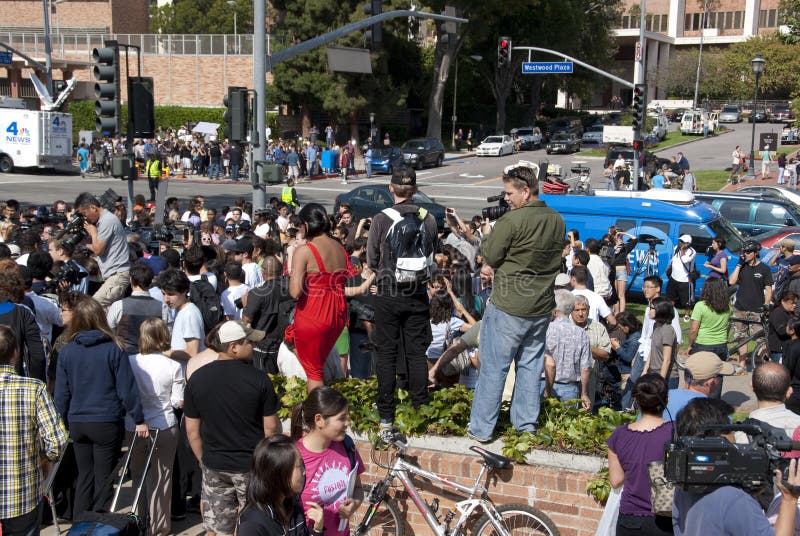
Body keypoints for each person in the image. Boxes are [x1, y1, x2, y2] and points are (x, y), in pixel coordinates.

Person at [468, 162, 565, 442]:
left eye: (509, 193)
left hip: (509, 305)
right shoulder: (556, 219)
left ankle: (482, 429)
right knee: (530, 368)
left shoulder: (512, 220)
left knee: (494, 368)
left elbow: (492, 257)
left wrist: (487, 235)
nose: (506, 198)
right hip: (540, 307)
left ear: (525, 191)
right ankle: (525, 427)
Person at [184, 321, 282, 536]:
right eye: (249, 343)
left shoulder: (197, 378)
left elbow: (192, 430)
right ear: (233, 347)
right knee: (252, 526)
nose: (253, 347)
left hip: (214, 465)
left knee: (216, 529)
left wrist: (203, 461)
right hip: (251, 467)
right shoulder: (259, 379)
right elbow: (271, 429)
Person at [54, 298, 148, 515]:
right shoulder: (113, 349)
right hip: (106, 420)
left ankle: (80, 523)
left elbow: (62, 394)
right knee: (104, 478)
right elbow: (127, 389)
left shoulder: (67, 351)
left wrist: (59, 422)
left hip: (78, 421)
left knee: (84, 475)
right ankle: (98, 523)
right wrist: (139, 418)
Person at [367, 167, 438, 429]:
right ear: (416, 191)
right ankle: (419, 408)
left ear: (391, 189)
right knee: (417, 353)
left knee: (386, 353)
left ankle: (386, 414)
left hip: (387, 291)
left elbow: (372, 259)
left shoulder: (381, 219)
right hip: (417, 292)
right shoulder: (428, 219)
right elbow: (432, 253)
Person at [672, 397, 800, 536]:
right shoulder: (734, 499)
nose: (734, 439)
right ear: (722, 438)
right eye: (731, 431)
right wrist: (789, 500)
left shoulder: (683, 487)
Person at [0, 325, 69, 536]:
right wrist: (44, 460)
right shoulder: (33, 389)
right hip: (22, 494)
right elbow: (58, 439)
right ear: (15, 352)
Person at [290, 204, 366, 393]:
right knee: (319, 367)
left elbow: (294, 292)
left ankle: (316, 419)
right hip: (337, 314)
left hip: (314, 313)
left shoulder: (305, 250)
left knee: (314, 373)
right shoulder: (339, 247)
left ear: (306, 225)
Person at [127, 318, 185, 536]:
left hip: (135, 426)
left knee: (138, 476)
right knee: (162, 479)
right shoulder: (173, 366)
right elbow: (178, 401)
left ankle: (137, 520)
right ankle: (158, 527)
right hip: (164, 424)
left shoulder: (131, 361)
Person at [290, 387, 364, 536]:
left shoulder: (347, 446)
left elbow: (358, 488)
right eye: (341, 418)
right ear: (319, 420)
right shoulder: (293, 458)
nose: (347, 423)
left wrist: (354, 504)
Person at [606, 374, 673, 535]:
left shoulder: (619, 435)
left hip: (630, 519)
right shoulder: (675, 432)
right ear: (667, 400)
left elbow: (616, 481)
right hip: (665, 517)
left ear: (636, 401)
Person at [236, 435, 324, 536]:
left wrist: (317, 530)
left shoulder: (292, 502)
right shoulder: (252, 525)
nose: (304, 472)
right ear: (279, 472)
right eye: (299, 466)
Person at [74, 192, 131, 309]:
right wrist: (84, 244)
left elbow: (98, 250)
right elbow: (99, 248)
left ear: (93, 208)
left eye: (85, 214)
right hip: (113, 274)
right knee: (108, 312)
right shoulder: (104, 220)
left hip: (118, 274)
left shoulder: (106, 220)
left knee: (93, 306)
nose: (85, 218)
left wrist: (93, 233)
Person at [107, 261, 172, 355]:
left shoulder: (118, 305)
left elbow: (109, 333)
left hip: (125, 357)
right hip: (153, 358)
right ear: (150, 282)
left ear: (131, 280)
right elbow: (168, 335)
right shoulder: (162, 307)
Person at [543, 290, 592, 409]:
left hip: (545, 384)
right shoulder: (581, 334)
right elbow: (585, 368)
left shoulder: (545, 330)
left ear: (554, 310)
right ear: (571, 310)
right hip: (570, 388)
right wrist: (584, 393)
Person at [730, 240, 773, 369]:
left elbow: (769, 289)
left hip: (756, 309)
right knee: (741, 337)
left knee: (761, 340)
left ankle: (765, 367)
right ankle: (742, 365)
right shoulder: (742, 267)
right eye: (744, 252)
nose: (745, 254)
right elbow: (732, 281)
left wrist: (766, 305)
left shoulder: (764, 269)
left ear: (755, 253)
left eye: (748, 252)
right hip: (740, 308)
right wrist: (738, 264)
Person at [664, 351, 735, 420]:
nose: (721, 380)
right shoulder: (716, 413)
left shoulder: (664, 397)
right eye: (721, 376)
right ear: (710, 382)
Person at [687, 277, 732, 377]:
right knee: (718, 377)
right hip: (721, 344)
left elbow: (694, 330)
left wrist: (690, 345)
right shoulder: (727, 307)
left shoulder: (700, 306)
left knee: (701, 377)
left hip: (704, 344)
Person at [158, 268, 205, 358]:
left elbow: (192, 353)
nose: (166, 299)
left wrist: (163, 353)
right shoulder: (180, 311)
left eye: (171, 294)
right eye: (163, 293)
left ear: (184, 291)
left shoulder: (189, 314)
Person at [645, 296, 679, 389]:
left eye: (652, 308)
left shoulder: (667, 330)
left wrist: (661, 382)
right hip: (654, 374)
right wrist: (645, 369)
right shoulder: (656, 326)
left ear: (661, 310)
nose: (649, 310)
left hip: (667, 377)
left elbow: (667, 360)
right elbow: (653, 350)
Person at [613, 312, 643, 410]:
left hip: (628, 372)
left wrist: (617, 347)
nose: (620, 328)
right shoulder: (632, 335)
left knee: (626, 400)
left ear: (627, 326)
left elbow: (628, 357)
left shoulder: (635, 338)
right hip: (625, 371)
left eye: (621, 326)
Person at [666, 234, 696, 321]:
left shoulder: (692, 252)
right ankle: (670, 313)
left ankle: (686, 315)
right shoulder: (676, 248)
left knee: (686, 301)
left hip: (685, 280)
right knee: (671, 297)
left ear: (687, 243)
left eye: (682, 242)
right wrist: (669, 268)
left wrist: (682, 250)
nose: (680, 243)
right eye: (680, 241)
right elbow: (674, 259)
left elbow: (685, 260)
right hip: (674, 277)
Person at [768, 291, 798, 363]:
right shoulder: (777, 313)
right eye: (792, 303)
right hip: (779, 349)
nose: (794, 305)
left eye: (795, 303)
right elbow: (782, 331)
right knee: (780, 373)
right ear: (783, 301)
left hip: (788, 348)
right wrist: (796, 329)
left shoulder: (790, 313)